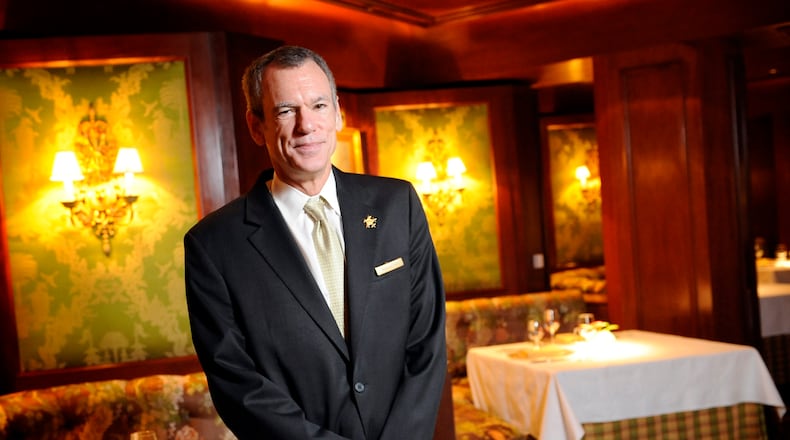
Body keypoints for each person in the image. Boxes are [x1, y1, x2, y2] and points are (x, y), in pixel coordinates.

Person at [184, 45, 447, 439]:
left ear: (338, 112)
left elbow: (426, 343)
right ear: (256, 126)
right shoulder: (214, 245)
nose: (307, 125)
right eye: (286, 110)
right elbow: (238, 386)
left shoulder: (398, 205)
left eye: (319, 105)